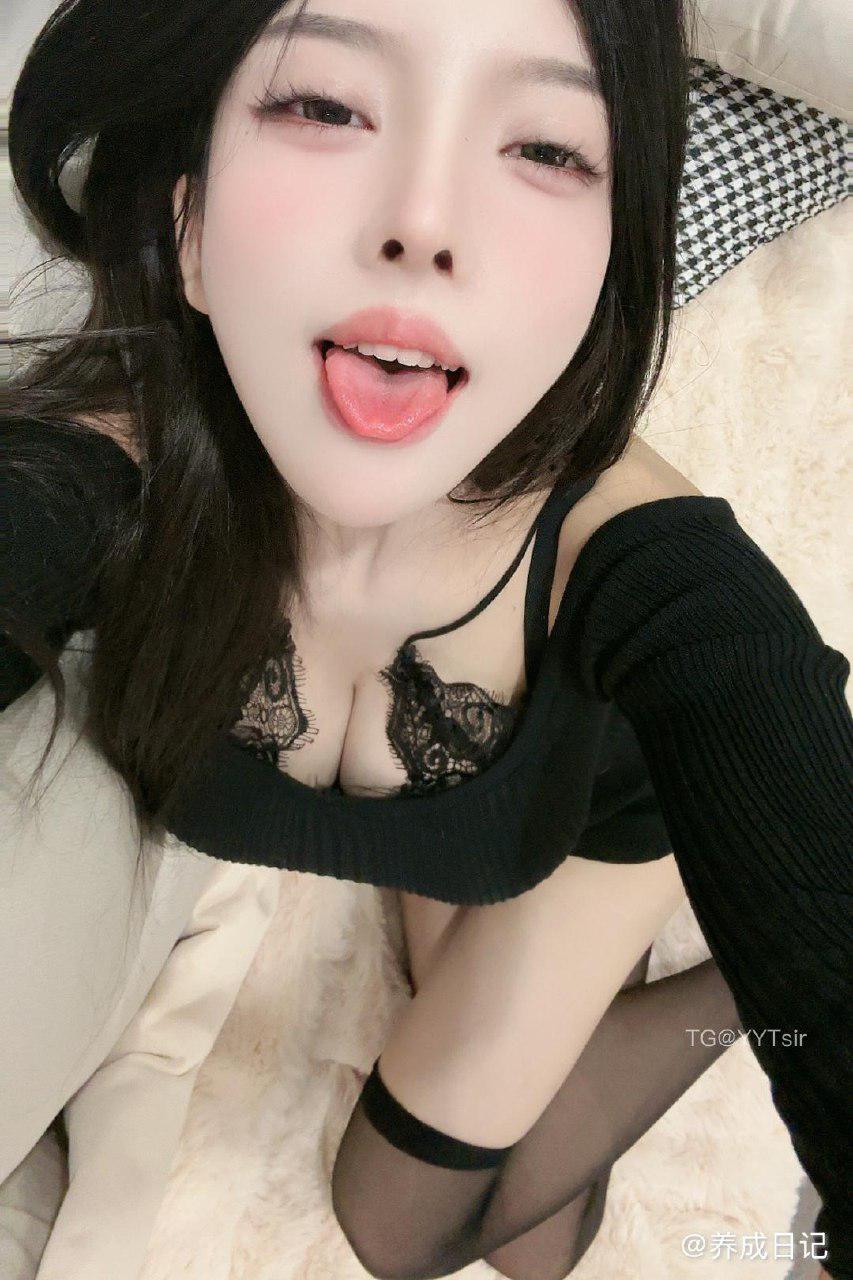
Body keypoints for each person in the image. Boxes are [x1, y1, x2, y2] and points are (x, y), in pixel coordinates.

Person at [2, 1, 850, 1279]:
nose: (424, 224)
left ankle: (729, 988)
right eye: (324, 105)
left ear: (604, 274)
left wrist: (780, 955)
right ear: (189, 228)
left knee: (438, 1231)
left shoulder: (663, 584)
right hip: (472, 842)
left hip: (589, 825)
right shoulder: (84, 494)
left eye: (546, 149)